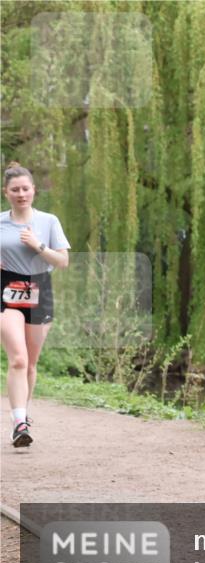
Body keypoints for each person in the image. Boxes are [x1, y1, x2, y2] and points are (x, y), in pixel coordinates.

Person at [1, 162, 71, 447]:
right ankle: (19, 423)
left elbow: (63, 262)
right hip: (6, 289)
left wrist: (38, 246)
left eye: (25, 189)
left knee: (30, 364)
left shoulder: (49, 221)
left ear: (34, 191)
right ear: (6, 193)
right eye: (15, 189)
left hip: (40, 288)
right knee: (17, 358)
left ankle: (23, 415)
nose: (21, 194)